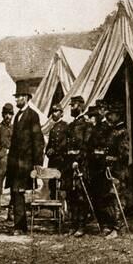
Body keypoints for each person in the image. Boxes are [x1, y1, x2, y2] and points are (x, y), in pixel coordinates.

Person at [6, 82, 45, 235]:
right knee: (16, 194)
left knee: (19, 192)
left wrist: (37, 163)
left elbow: (38, 140)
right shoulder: (17, 116)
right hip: (15, 163)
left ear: (27, 98)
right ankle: (19, 226)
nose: (17, 100)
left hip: (25, 163)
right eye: (16, 97)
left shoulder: (32, 115)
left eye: (20, 97)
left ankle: (19, 227)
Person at [63, 95, 92, 237]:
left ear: (80, 106)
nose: (71, 108)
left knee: (81, 196)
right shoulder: (71, 125)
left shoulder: (86, 125)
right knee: (71, 195)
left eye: (73, 106)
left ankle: (81, 225)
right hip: (69, 165)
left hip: (81, 165)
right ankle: (73, 225)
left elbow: (86, 146)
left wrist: (78, 160)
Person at [86, 103, 113, 236]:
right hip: (93, 166)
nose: (90, 119)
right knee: (96, 196)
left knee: (103, 196)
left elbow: (108, 146)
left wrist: (101, 155)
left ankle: (108, 225)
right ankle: (102, 225)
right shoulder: (94, 129)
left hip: (102, 165)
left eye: (92, 117)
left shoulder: (107, 127)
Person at [104, 101, 131, 238]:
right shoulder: (114, 130)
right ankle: (116, 226)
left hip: (120, 171)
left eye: (112, 115)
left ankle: (118, 228)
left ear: (118, 116)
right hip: (113, 170)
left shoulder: (122, 132)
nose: (109, 117)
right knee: (113, 198)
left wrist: (112, 158)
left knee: (118, 198)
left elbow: (125, 154)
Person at [45, 104, 68, 200]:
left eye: (56, 111)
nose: (53, 114)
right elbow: (49, 144)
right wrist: (47, 151)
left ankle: (61, 208)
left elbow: (65, 142)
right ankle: (53, 207)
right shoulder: (53, 128)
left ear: (61, 114)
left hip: (61, 160)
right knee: (52, 184)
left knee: (61, 184)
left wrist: (55, 150)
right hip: (53, 160)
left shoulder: (65, 126)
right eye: (52, 112)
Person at [0, 103, 14, 221]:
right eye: (6, 114)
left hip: (13, 160)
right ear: (3, 115)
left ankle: (11, 212)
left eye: (10, 114)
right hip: (2, 160)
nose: (8, 116)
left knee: (14, 186)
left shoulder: (15, 127)